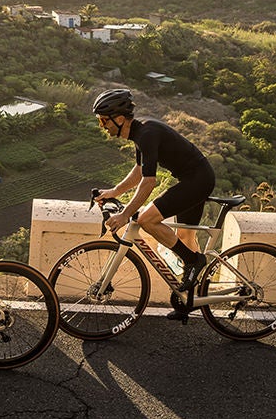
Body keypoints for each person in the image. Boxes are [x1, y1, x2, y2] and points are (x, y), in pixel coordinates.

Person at [91, 89, 215, 296]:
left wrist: (125, 214)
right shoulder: (140, 133)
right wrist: (114, 191)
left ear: (120, 119)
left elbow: (149, 182)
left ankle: (195, 261)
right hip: (194, 179)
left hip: (198, 180)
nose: (102, 126)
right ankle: (192, 298)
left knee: (147, 220)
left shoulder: (147, 134)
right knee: (184, 237)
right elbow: (139, 171)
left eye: (104, 121)